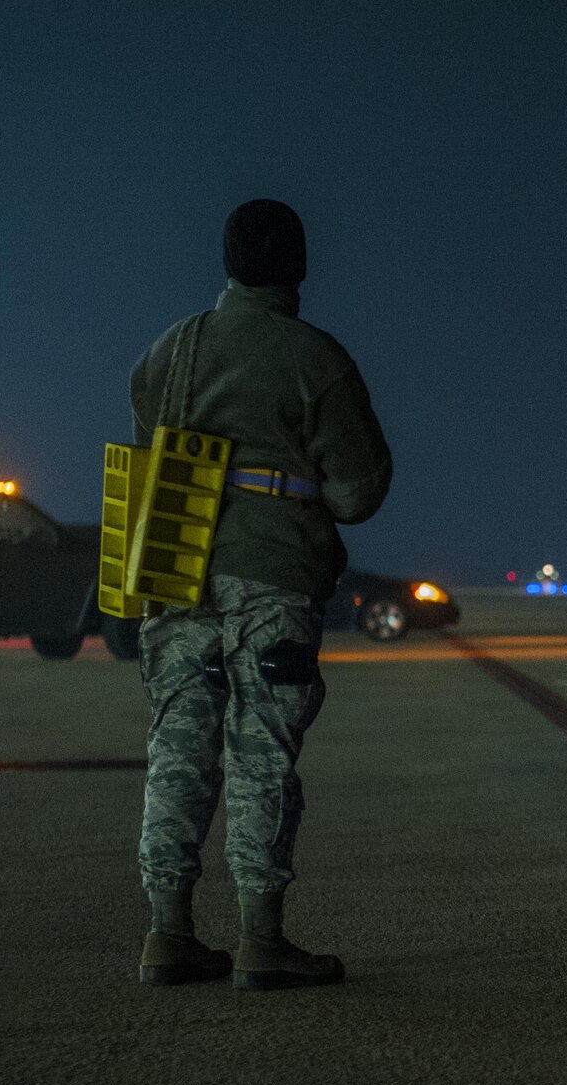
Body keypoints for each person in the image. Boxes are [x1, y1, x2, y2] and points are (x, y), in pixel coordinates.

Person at [130, 199, 393, 990]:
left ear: (227, 262)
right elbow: (359, 491)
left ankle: (167, 932)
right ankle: (260, 939)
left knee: (177, 747)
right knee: (261, 755)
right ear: (300, 268)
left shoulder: (169, 350)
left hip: (175, 569)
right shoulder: (315, 359)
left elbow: (148, 437)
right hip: (272, 575)